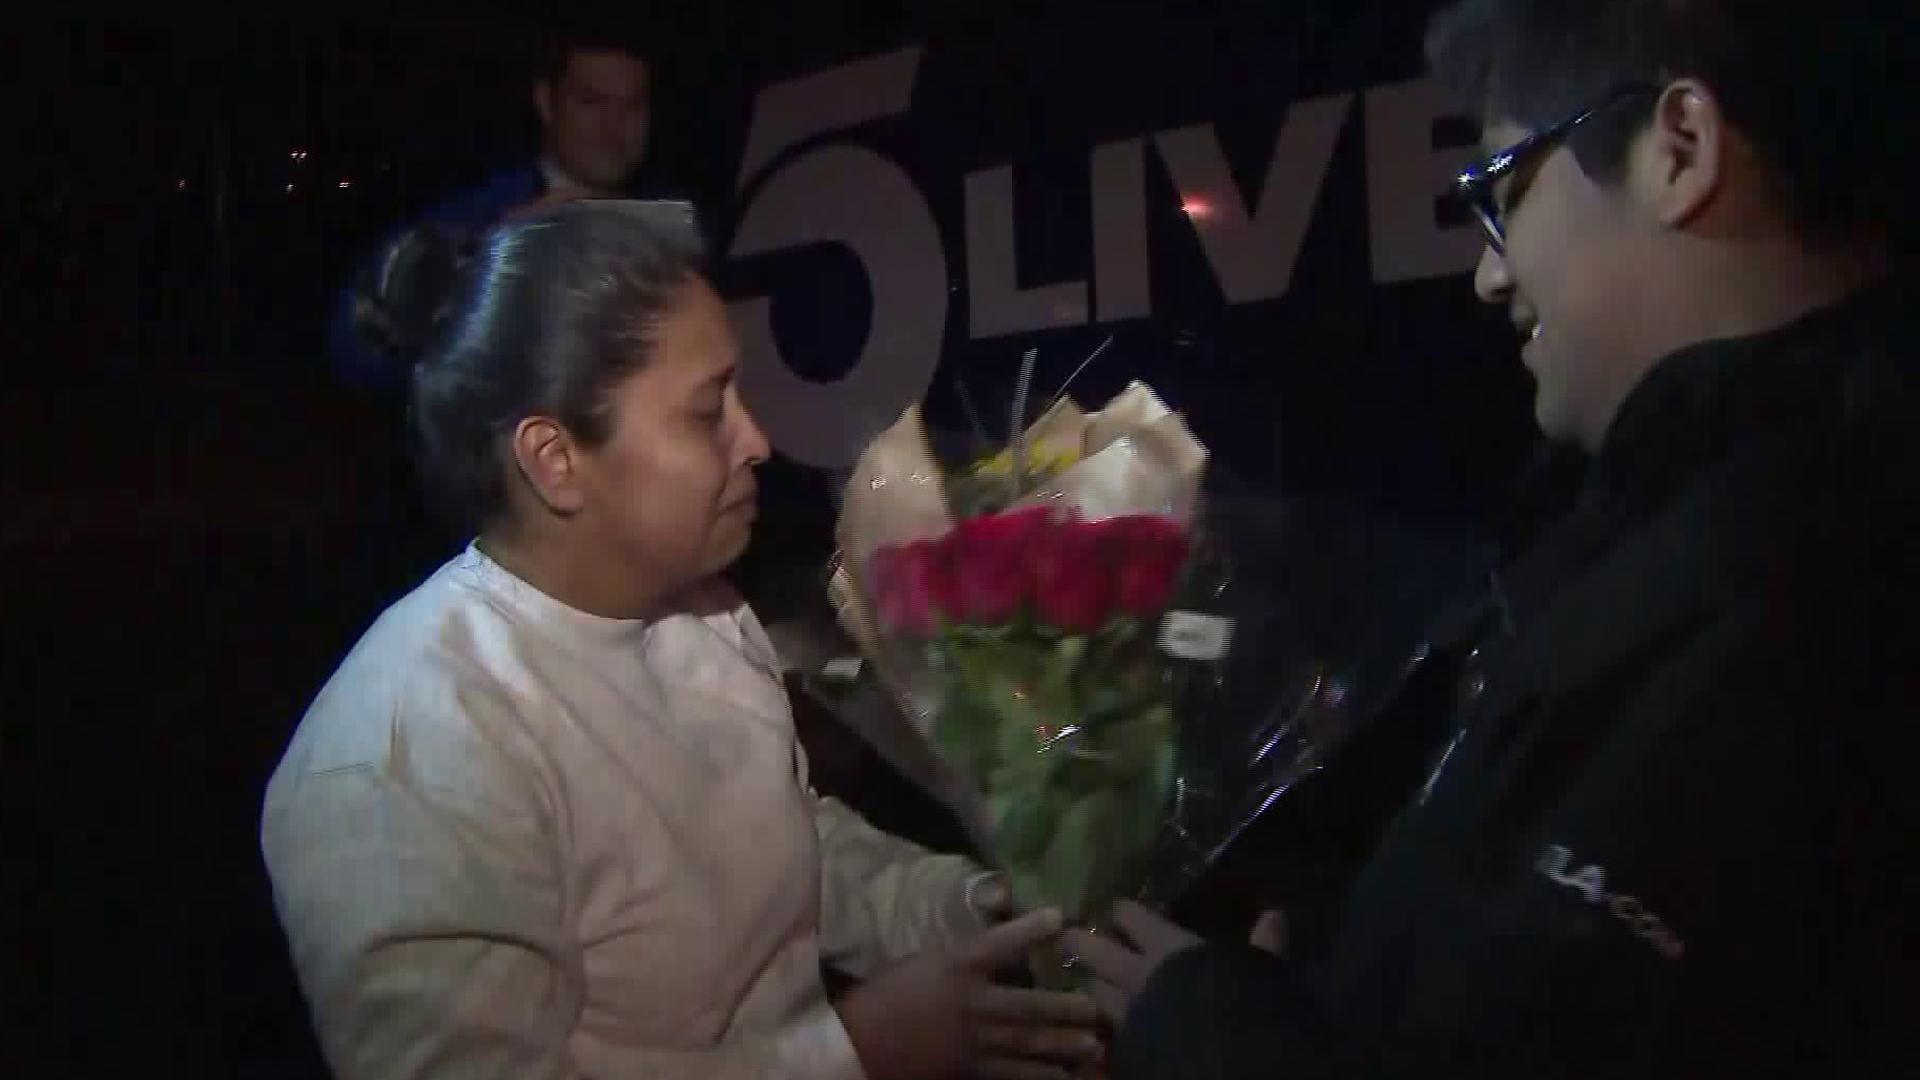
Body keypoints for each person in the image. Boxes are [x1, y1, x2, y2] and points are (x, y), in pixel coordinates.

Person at [1068, 1, 1917, 1076]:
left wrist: (1214, 1032)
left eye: (1501, 191)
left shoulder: (1805, 578)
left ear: (1681, 149)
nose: (1489, 274)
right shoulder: (1659, 525)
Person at [262, 201, 1104, 1080]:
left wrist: (972, 910)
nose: (759, 440)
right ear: (554, 460)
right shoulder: (402, 751)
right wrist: (858, 1051)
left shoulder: (705, 613)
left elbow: (787, 846)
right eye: (708, 413)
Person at [328, 30, 661, 390]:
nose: (613, 127)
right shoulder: (474, 219)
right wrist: (485, 260)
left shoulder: (666, 234)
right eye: (591, 102)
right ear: (546, 102)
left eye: (633, 105)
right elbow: (355, 346)